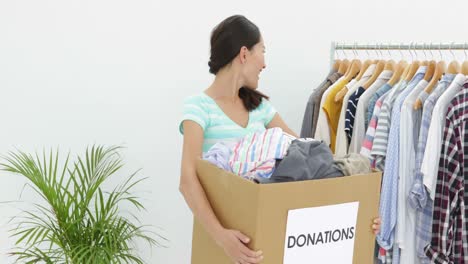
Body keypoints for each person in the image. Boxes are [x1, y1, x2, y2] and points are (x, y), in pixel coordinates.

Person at [179, 15, 381, 264]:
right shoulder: (198, 108)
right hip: (219, 243)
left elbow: (306, 164)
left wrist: (359, 214)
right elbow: (188, 181)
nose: (264, 63)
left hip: (261, 241)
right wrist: (222, 237)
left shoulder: (260, 107)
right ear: (244, 54)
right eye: (262, 51)